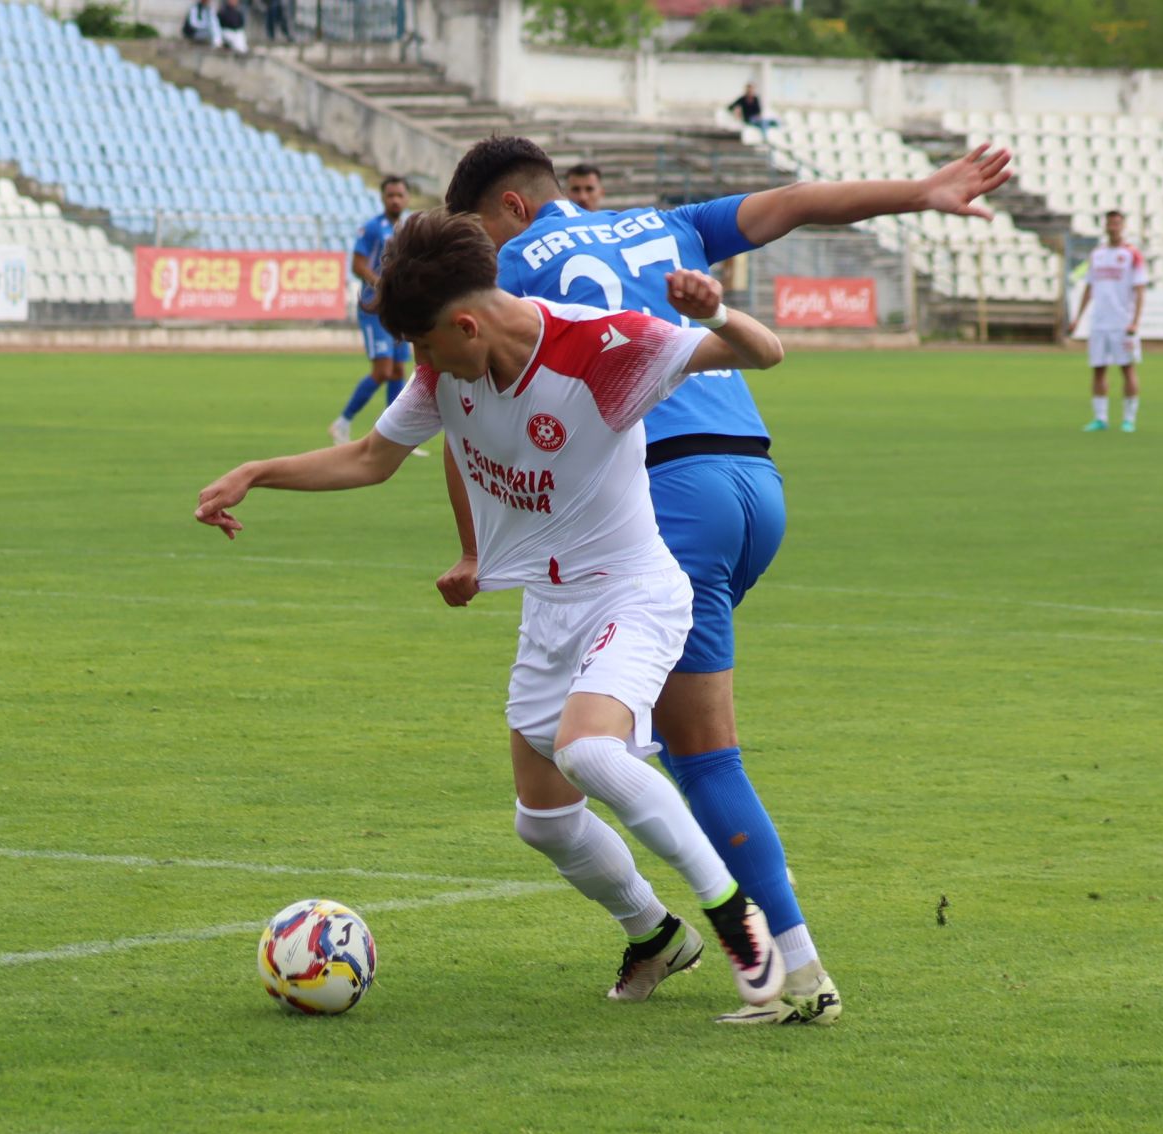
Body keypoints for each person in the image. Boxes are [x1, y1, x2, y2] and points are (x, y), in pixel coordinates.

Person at [442, 133, 1011, 1021]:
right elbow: (793, 200)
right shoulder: (660, 224)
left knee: (698, 753)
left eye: (475, 231)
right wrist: (921, 190)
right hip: (751, 481)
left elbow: (469, 407)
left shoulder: (508, 265)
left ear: (508, 210)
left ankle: (794, 972)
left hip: (663, 502)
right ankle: (659, 931)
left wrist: (478, 548)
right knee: (552, 788)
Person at [197, 211, 793, 1012]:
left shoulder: (602, 348)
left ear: (467, 323)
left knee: (587, 753)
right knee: (543, 822)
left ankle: (733, 916)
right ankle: (656, 933)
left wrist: (714, 310)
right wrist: (256, 472)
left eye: (426, 344)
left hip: (634, 589)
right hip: (552, 604)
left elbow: (765, 352)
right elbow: (372, 459)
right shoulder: (450, 370)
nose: (420, 364)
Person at [330, 175, 411, 445]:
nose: (396, 199)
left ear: (406, 198)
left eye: (400, 195)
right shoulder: (372, 229)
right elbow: (357, 265)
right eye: (391, 195)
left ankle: (394, 438)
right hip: (375, 307)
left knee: (399, 371)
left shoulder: (410, 228)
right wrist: (380, 284)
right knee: (383, 371)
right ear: (383, 198)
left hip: (399, 307)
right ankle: (342, 422)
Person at [1071, 209, 1145, 432]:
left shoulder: (1132, 254)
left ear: (1122, 226)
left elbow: (1140, 290)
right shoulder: (1097, 254)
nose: (1113, 226)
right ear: (1105, 226)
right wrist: (1078, 318)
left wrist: (1135, 321)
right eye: (1110, 223)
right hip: (1099, 322)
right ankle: (1100, 418)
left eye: (1117, 223)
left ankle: (1129, 419)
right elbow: (1089, 287)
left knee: (1127, 368)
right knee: (1098, 368)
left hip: (1122, 322)